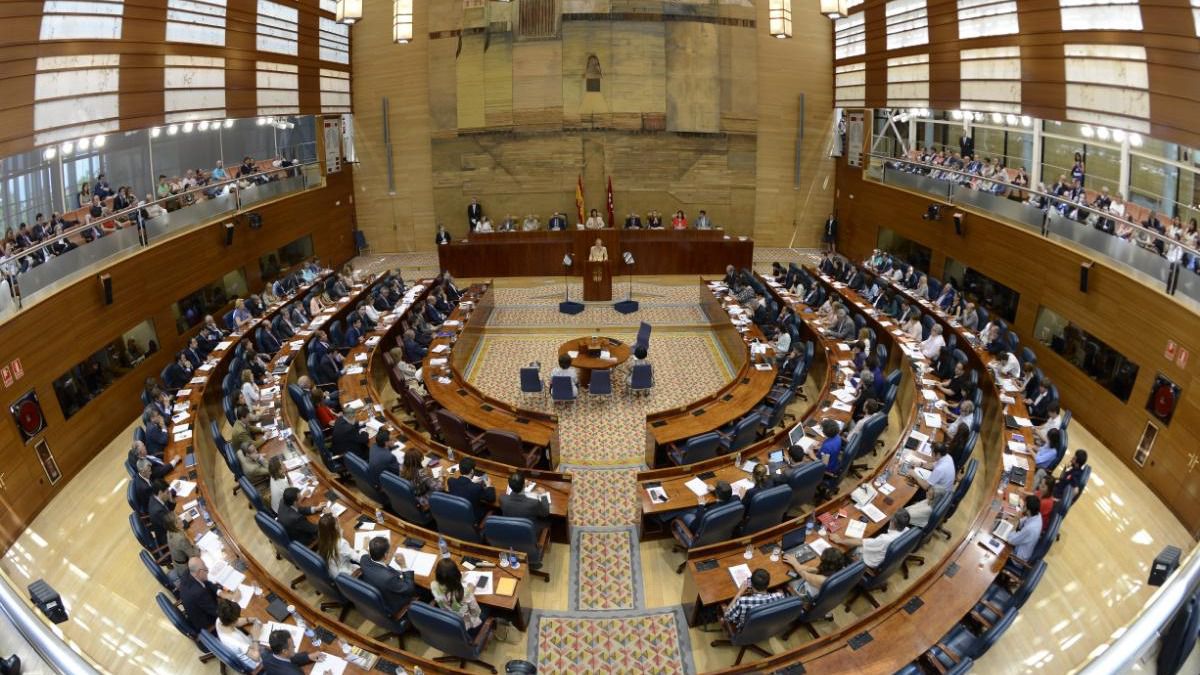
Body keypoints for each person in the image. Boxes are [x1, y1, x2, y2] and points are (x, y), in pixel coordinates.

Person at [831, 508, 911, 569]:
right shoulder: (907, 530)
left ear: (892, 522)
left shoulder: (885, 539)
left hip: (870, 561)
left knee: (848, 547)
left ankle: (843, 566)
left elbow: (860, 542)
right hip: (883, 555)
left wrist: (839, 540)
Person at [359, 536, 417, 616]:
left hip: (381, 593)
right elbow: (409, 589)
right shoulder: (389, 578)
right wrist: (403, 566)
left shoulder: (364, 560)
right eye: (389, 551)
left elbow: (363, 553)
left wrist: (364, 547)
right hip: (394, 603)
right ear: (385, 555)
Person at [179, 557, 239, 632]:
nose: (207, 570)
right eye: (205, 569)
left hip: (204, 608)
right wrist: (235, 600)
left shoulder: (189, 572)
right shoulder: (199, 593)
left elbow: (206, 582)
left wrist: (220, 593)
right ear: (199, 572)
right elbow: (220, 613)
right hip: (209, 624)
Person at [432, 558, 485, 636]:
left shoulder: (434, 586)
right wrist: (470, 591)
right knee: (487, 608)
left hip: (449, 618)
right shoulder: (465, 593)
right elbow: (476, 612)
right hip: (465, 625)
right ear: (457, 574)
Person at [215, 599, 264, 670]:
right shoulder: (236, 642)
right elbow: (256, 657)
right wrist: (255, 637)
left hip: (247, 646)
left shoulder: (219, 620)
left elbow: (236, 623)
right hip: (255, 663)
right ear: (234, 620)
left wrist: (249, 619)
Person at [447, 457, 496, 523]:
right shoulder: (476, 488)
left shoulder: (451, 481)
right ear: (472, 471)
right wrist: (489, 485)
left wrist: (471, 482)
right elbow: (491, 498)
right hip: (472, 518)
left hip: (456, 514)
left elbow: (463, 488)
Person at [261, 628, 326, 673]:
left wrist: (308, 657)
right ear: (284, 651)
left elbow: (288, 659)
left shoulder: (266, 657)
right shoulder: (294, 673)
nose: (294, 646)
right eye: (292, 646)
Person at [316, 513, 358, 578]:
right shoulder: (341, 543)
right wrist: (364, 550)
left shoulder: (322, 538)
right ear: (335, 528)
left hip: (333, 573)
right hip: (347, 576)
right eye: (338, 524)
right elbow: (357, 558)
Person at [1007, 495, 1044, 561]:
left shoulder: (1030, 529)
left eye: (1024, 506)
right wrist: (1016, 520)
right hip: (1020, 544)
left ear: (1028, 511)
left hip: (1017, 558)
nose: (1022, 508)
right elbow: (1022, 522)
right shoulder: (1037, 515)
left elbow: (1010, 540)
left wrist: (1014, 523)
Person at [165, 512, 197, 583]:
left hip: (177, 563)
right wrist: (195, 546)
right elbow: (193, 555)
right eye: (178, 519)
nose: (181, 519)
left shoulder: (169, 531)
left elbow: (181, 531)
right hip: (185, 569)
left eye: (179, 517)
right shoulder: (180, 539)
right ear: (175, 525)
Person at [146, 480, 176, 548]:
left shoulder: (154, 497)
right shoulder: (158, 511)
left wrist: (170, 499)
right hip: (167, 537)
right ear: (160, 493)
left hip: (167, 526)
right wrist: (185, 522)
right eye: (167, 492)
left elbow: (169, 509)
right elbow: (172, 527)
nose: (169, 494)